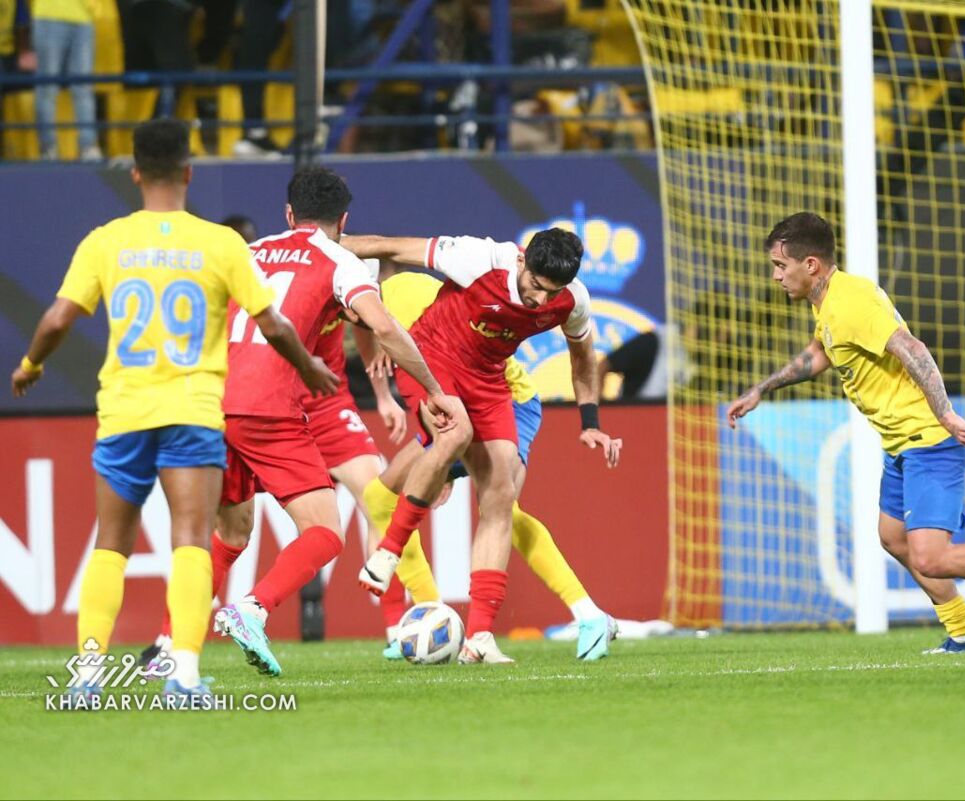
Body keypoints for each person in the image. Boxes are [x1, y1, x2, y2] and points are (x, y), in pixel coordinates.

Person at [9, 118, 336, 702]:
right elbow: (273, 322)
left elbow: (59, 318)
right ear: (188, 171)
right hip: (192, 411)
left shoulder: (106, 240)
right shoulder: (220, 243)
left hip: (125, 413)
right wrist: (309, 367)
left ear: (135, 173)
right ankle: (183, 676)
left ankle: (87, 675)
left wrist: (31, 366)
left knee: (111, 540)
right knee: (190, 538)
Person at [727, 212, 965, 651]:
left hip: (928, 439)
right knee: (893, 538)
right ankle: (964, 633)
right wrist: (762, 388)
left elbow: (912, 349)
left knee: (932, 557)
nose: (776, 276)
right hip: (900, 444)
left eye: (782, 266)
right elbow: (818, 354)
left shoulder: (852, 302)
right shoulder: (830, 302)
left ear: (812, 265)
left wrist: (948, 414)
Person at [209, 166, 467, 677]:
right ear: (344, 219)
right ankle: (252, 610)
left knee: (231, 532)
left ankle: (172, 645)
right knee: (327, 532)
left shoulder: (248, 252)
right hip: (275, 405)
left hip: (216, 401)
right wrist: (434, 391)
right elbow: (381, 324)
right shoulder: (342, 261)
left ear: (288, 214)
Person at [343, 229, 622, 664]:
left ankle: (480, 636)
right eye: (534, 286)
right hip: (433, 365)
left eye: (551, 293)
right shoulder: (476, 258)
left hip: (500, 388)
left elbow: (583, 354)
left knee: (500, 499)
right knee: (447, 441)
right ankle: (402, 579)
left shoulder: (571, 300)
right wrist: (322, 243)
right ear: (521, 261)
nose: (538, 301)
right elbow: (391, 250)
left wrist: (590, 421)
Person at [32, 0, 99, 160]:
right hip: (50, 15)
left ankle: (88, 146)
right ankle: (48, 148)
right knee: (47, 88)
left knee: (83, 87)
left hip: (84, 16)